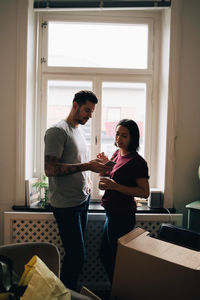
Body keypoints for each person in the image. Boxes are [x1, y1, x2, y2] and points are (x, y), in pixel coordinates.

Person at [44, 90, 111, 291]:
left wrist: (90, 176)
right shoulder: (57, 131)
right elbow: (50, 170)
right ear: (75, 105)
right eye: (87, 110)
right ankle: (64, 294)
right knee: (76, 256)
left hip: (81, 201)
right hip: (66, 206)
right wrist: (87, 166)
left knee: (77, 256)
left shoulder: (77, 131)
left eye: (92, 112)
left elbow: (76, 163)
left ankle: (68, 293)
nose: (90, 115)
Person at [97, 119, 150, 283]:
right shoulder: (117, 154)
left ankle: (120, 291)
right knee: (105, 254)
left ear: (133, 138)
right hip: (111, 214)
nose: (119, 139)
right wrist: (104, 166)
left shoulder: (138, 162)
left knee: (117, 259)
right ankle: (118, 290)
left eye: (124, 136)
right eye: (117, 134)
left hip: (122, 216)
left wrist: (116, 186)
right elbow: (107, 177)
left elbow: (145, 192)